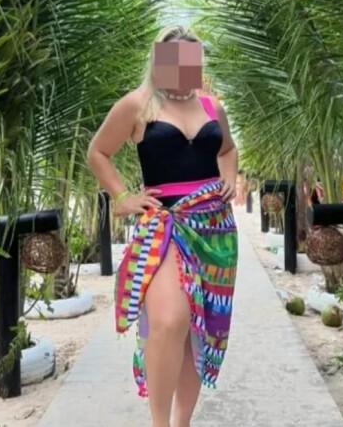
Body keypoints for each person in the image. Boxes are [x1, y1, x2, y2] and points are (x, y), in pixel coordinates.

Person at [87, 25, 239, 427]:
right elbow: (98, 152)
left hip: (214, 228)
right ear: (159, 61)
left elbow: (227, 149)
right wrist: (123, 197)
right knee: (170, 320)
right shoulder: (137, 105)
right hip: (164, 226)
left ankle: (182, 421)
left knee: (197, 329)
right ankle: (160, 423)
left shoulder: (211, 106)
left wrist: (230, 177)